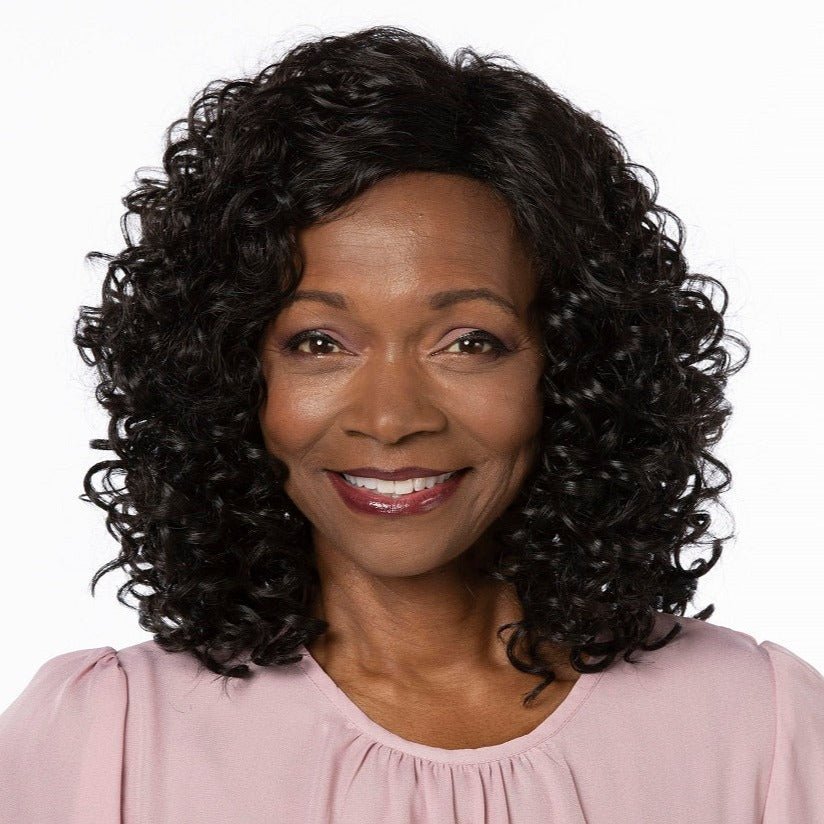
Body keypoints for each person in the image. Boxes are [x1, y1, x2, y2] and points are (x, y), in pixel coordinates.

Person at [1, 24, 822, 824]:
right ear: (228, 375)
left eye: (469, 342)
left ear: (573, 368)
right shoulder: (107, 739)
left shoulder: (759, 726)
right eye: (319, 342)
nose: (390, 418)